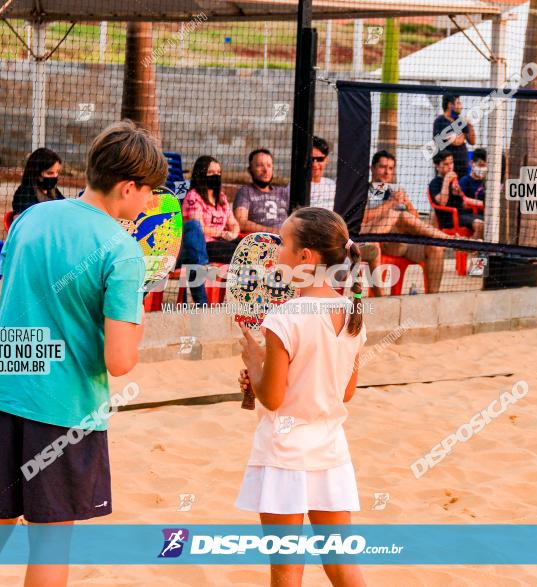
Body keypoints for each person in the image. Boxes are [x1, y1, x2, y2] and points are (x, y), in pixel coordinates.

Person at [0, 121, 164, 587]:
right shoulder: (123, 252)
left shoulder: (31, 218)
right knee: (50, 541)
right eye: (149, 193)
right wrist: (137, 307)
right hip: (63, 408)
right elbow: (120, 361)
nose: (151, 203)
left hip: (2, 394)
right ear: (128, 187)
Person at [237, 207, 367, 587]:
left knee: (287, 570)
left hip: (285, 456)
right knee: (341, 563)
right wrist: (262, 374)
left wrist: (255, 365)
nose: (276, 251)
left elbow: (273, 399)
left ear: (305, 257)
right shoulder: (352, 311)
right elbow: (346, 392)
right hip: (330, 453)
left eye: (282, 243)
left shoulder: (285, 318)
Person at [361, 150, 448, 294]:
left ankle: (433, 299)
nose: (386, 172)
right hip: (381, 242)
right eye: (382, 167)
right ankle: (450, 239)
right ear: (372, 168)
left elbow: (415, 220)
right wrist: (390, 204)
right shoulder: (364, 190)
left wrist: (409, 205)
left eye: (390, 168)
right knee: (394, 215)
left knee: (436, 248)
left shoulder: (395, 190)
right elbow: (363, 217)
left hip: (404, 243)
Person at [178, 155, 241, 305]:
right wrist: (222, 234)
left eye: (219, 173)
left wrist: (232, 234)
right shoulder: (194, 196)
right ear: (201, 175)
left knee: (247, 246)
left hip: (221, 241)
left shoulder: (222, 198)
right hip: (203, 246)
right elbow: (198, 228)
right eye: (211, 173)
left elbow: (234, 223)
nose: (216, 176)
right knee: (240, 253)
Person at [428, 150, 484, 240]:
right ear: (437, 166)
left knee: (490, 222)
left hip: (463, 214)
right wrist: (446, 181)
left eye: (451, 163)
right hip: (450, 218)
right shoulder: (435, 183)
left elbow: (463, 202)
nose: (450, 167)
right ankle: (471, 250)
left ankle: (473, 247)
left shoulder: (454, 180)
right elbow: (442, 203)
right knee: (480, 225)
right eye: (446, 164)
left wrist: (459, 193)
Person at [234, 149, 290, 234]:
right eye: (260, 165)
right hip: (261, 241)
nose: (266, 170)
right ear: (250, 170)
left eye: (269, 165)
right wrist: (273, 231)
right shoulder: (245, 192)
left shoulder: (283, 192)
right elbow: (241, 222)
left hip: (287, 239)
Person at [432, 94, 476, 179]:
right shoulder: (439, 121)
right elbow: (454, 141)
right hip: (446, 171)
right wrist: (460, 137)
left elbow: (472, 141)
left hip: (462, 170)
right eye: (458, 103)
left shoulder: (460, 121)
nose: (461, 106)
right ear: (450, 105)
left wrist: (470, 125)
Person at [11, 148, 64, 217]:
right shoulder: (24, 193)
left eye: (57, 172)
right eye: (50, 173)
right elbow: (24, 221)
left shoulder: (53, 191)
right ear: (37, 174)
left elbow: (64, 207)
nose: (55, 176)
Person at [310, 136, 336, 211]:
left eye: (319, 159)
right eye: (311, 159)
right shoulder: (296, 187)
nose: (315, 164)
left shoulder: (332, 186)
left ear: (326, 160)